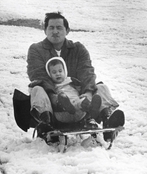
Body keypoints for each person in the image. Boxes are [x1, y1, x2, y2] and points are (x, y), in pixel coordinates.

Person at [27, 12, 125, 141]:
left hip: (80, 104)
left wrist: (88, 94)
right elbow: (39, 76)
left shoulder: (77, 49)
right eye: (51, 27)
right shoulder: (36, 49)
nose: (55, 31)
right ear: (45, 30)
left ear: (67, 30)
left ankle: (107, 120)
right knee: (36, 89)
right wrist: (55, 99)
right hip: (52, 106)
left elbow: (87, 72)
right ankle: (47, 124)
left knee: (101, 87)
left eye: (59, 27)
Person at [45, 56, 101, 126]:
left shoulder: (71, 81)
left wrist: (79, 86)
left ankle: (91, 108)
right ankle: (69, 105)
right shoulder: (52, 85)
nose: (58, 74)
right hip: (62, 112)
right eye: (54, 72)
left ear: (64, 71)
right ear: (49, 74)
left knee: (82, 100)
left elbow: (80, 89)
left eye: (60, 71)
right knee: (64, 99)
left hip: (79, 111)